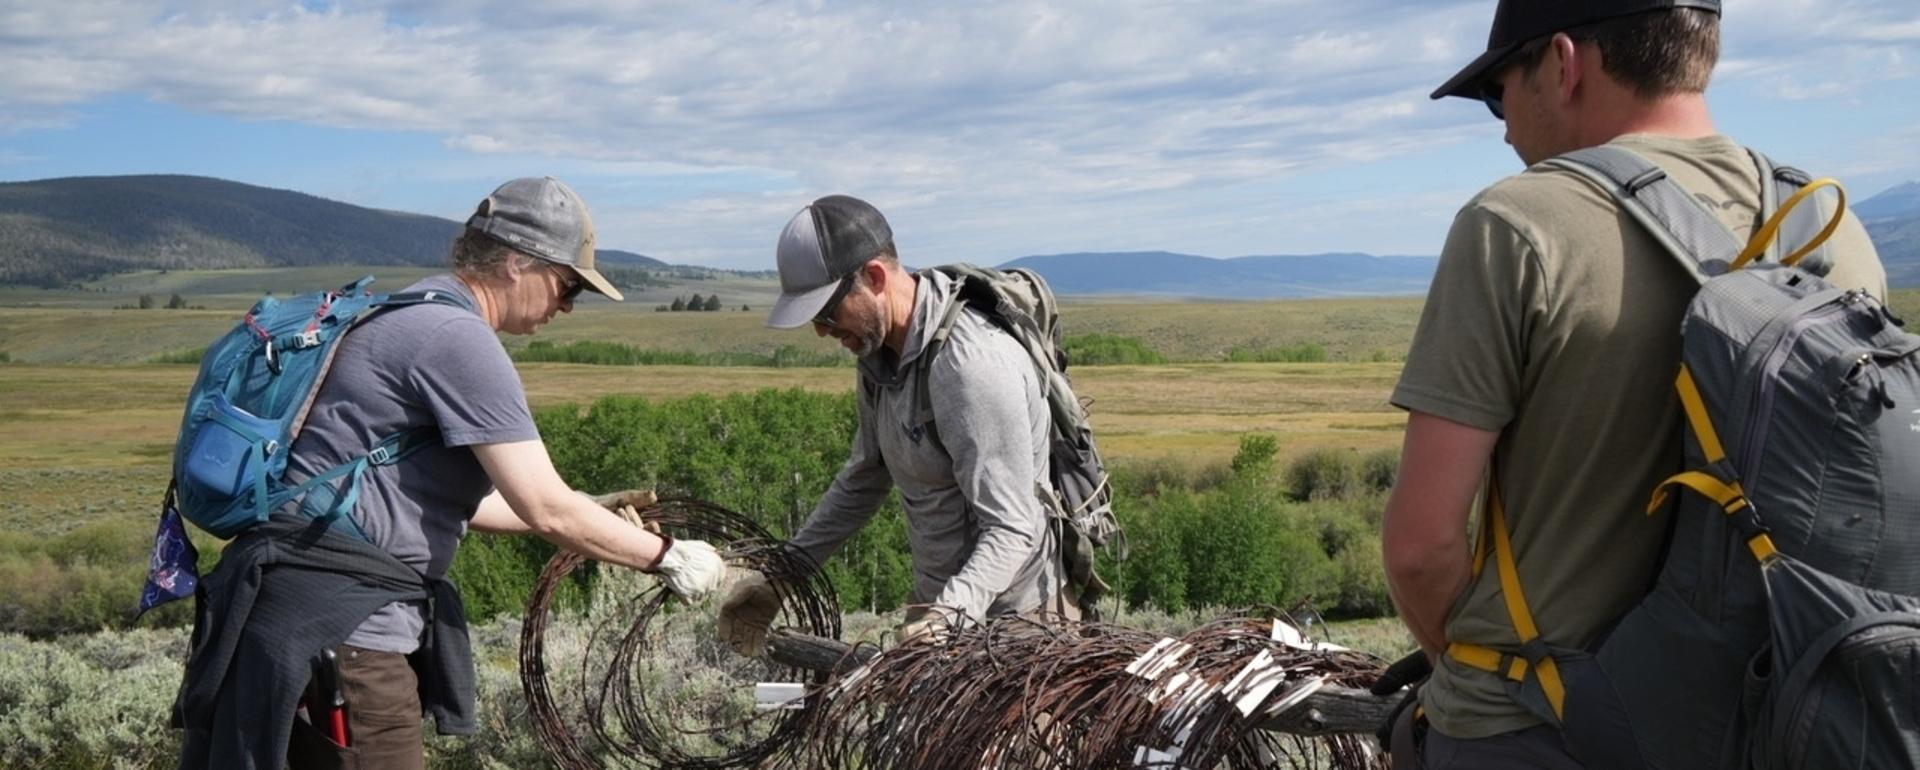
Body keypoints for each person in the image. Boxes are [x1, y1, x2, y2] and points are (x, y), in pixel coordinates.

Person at [1378, 1, 1888, 767]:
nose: (1505, 126)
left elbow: (1420, 548)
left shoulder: (1517, 224)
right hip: (1782, 720)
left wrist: (1480, 672)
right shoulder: (1830, 224)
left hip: (1540, 730)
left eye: (1498, 92)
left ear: (1562, 62)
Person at [171, 177, 728, 770]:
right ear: (517, 263)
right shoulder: (456, 337)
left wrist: (586, 510)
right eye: (567, 286)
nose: (565, 306)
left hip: (288, 624)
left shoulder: (406, 311)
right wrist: (667, 556)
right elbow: (546, 508)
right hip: (348, 636)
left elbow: (463, 501)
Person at [715, 194, 1071, 656]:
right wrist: (784, 574)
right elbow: (865, 476)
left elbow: (1011, 527)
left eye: (826, 313)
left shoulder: (969, 367)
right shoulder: (879, 356)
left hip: (1020, 623)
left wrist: (944, 619)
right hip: (942, 609)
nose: (822, 332)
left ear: (875, 278)